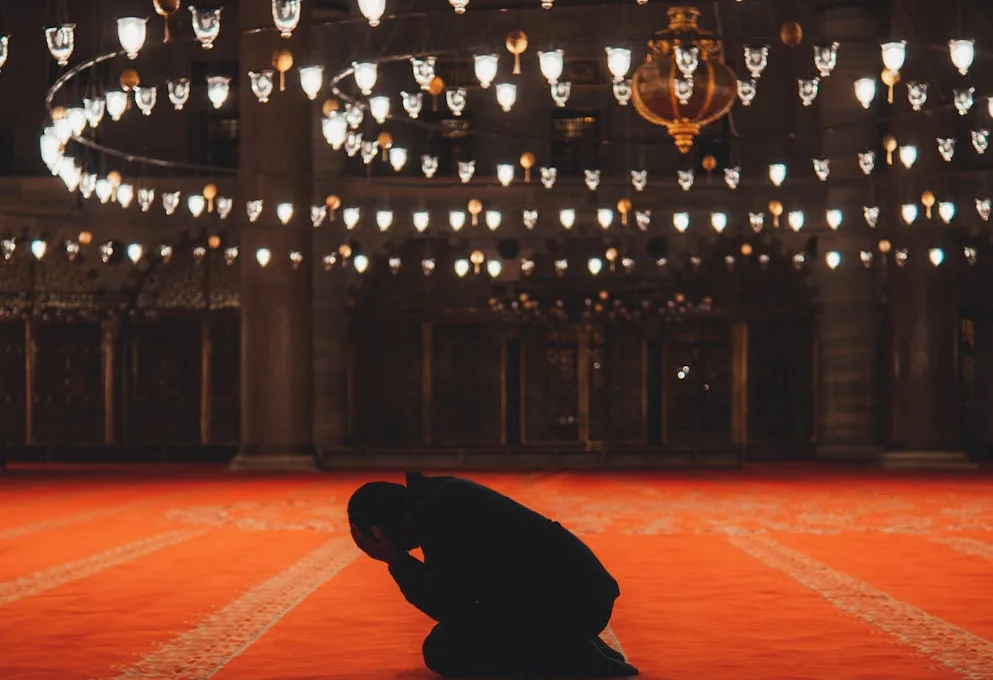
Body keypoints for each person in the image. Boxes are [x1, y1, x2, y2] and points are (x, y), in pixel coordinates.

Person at [347, 472, 639, 678]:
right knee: (449, 638)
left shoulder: (440, 514)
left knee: (444, 651)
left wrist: (395, 559)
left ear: (377, 532)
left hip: (574, 607)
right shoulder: (438, 499)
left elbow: (449, 605)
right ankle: (570, 645)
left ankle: (575, 659)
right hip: (575, 598)